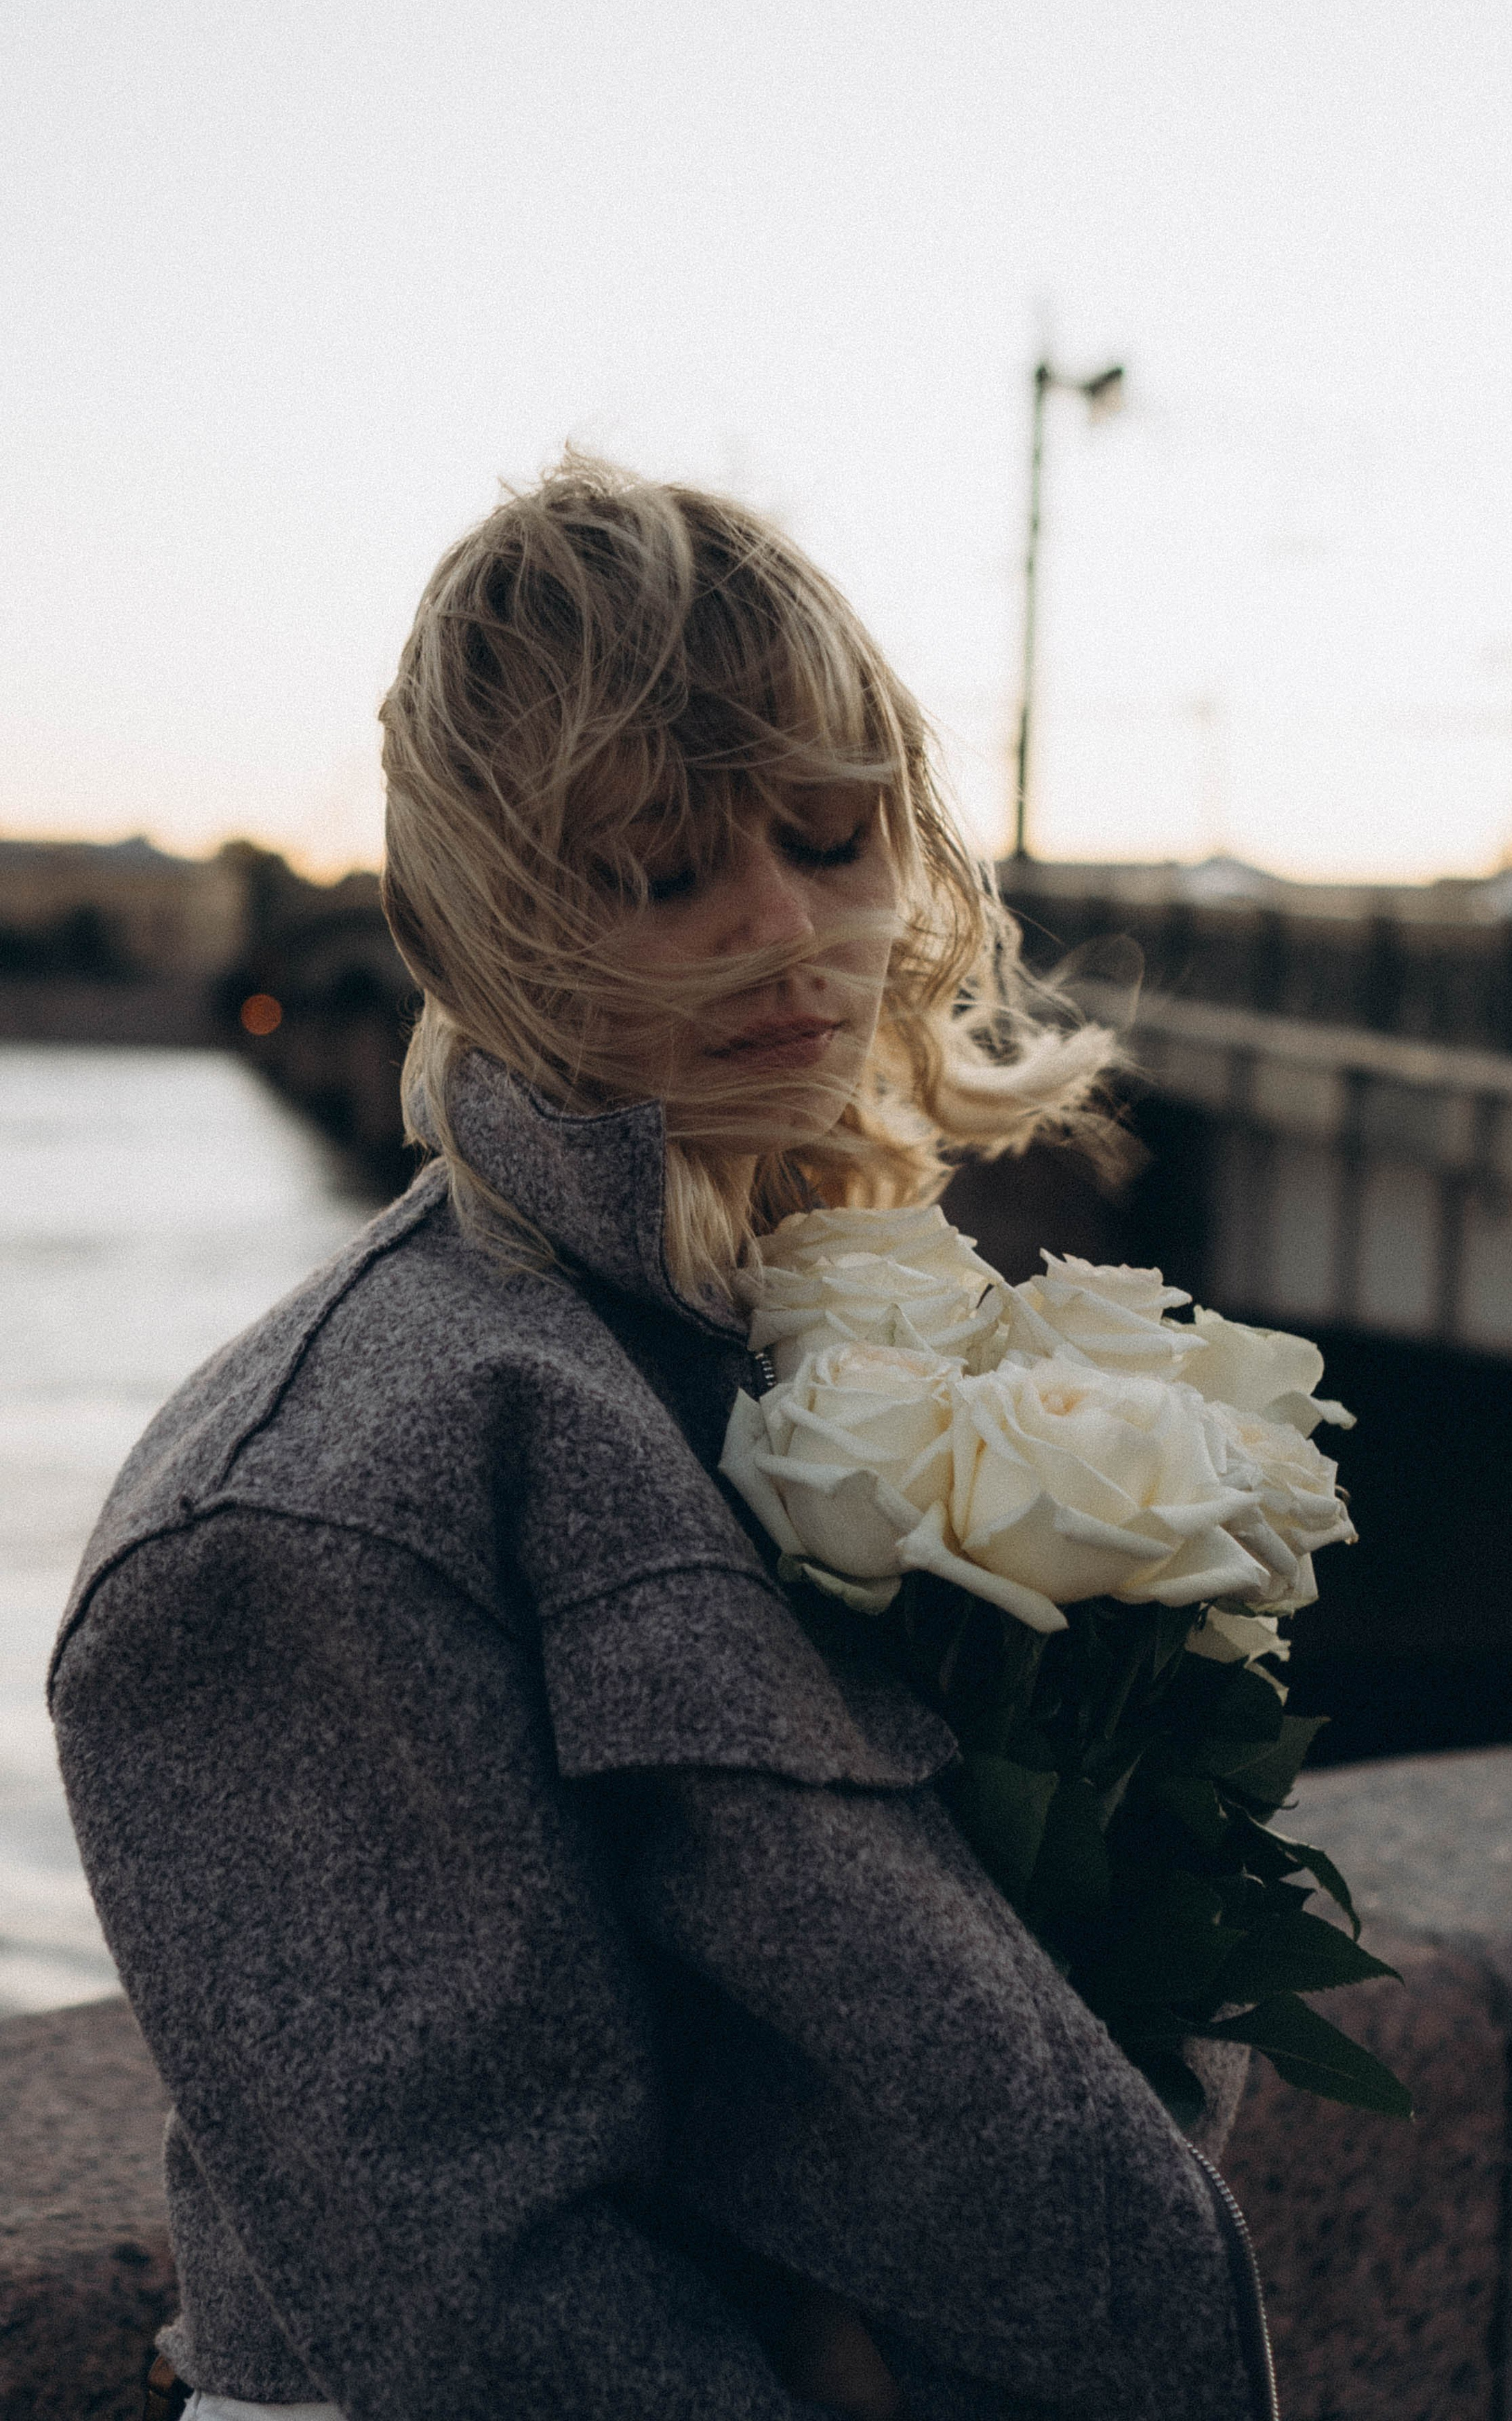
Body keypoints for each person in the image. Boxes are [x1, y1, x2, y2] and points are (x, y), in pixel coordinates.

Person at [52, 454, 1272, 2421]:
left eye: (828, 837)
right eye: (664, 871)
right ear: (485, 927)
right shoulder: (315, 1501)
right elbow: (465, 2287)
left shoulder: (845, 1341)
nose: (788, 933)